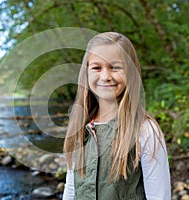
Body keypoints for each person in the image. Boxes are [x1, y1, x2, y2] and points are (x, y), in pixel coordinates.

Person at [63, 32, 171, 200]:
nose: (105, 76)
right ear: (86, 72)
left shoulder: (145, 130)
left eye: (115, 67)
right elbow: (71, 189)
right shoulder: (79, 127)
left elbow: (160, 196)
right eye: (97, 68)